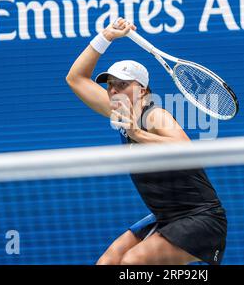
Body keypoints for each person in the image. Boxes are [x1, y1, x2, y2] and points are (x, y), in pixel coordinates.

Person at [66, 18, 227, 265]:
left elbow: (186, 150)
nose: (113, 90)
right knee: (107, 264)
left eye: (122, 84)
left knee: (134, 263)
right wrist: (106, 37)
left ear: (141, 89)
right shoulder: (118, 113)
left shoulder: (155, 115)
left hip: (200, 218)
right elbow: (76, 78)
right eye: (110, 85)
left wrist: (138, 134)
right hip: (166, 216)